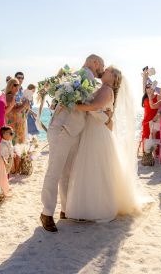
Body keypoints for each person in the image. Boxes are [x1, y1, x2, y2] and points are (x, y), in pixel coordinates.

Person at [66, 66, 144, 222]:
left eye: (107, 70)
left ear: (113, 77)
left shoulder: (107, 90)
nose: (104, 72)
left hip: (98, 132)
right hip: (92, 129)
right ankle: (86, 207)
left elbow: (94, 107)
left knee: (96, 167)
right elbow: (97, 109)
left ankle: (98, 207)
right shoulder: (101, 88)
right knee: (89, 167)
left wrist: (74, 106)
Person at [40, 54, 104, 232]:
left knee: (67, 172)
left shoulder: (81, 77)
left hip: (73, 130)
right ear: (94, 62)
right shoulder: (81, 76)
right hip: (63, 128)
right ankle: (46, 212)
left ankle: (66, 209)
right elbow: (87, 103)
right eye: (101, 65)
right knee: (55, 170)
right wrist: (105, 117)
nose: (102, 70)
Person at [5, 78, 29, 145]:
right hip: (14, 126)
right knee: (15, 146)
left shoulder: (14, 96)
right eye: (15, 85)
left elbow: (19, 109)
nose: (17, 87)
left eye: (18, 85)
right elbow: (13, 110)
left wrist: (25, 104)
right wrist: (24, 104)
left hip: (18, 126)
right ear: (10, 86)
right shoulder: (9, 96)